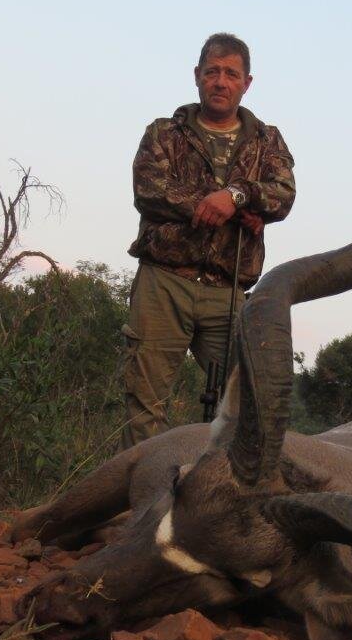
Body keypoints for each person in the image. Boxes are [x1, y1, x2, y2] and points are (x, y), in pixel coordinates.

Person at [121, 32, 295, 448]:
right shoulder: (165, 132)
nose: (221, 81)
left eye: (231, 73)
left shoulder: (267, 140)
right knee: (144, 409)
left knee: (249, 402)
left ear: (246, 83)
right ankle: (138, 507)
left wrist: (237, 196)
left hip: (229, 289)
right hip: (164, 283)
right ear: (197, 76)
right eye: (212, 71)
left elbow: (283, 194)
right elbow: (149, 188)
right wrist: (226, 207)